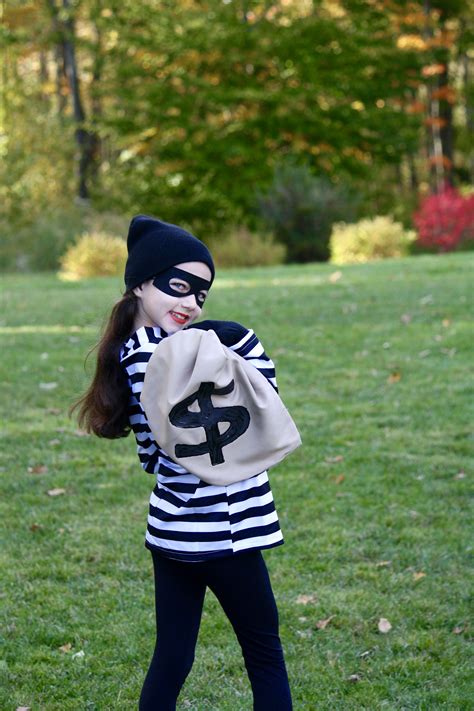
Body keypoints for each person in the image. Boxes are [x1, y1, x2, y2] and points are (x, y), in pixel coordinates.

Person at [74, 215, 293, 710]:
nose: (191, 303)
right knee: (264, 652)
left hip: (171, 529)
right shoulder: (175, 353)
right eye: (179, 286)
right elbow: (264, 404)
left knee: (173, 656)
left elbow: (153, 455)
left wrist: (216, 336)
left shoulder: (131, 353)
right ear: (141, 283)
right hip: (226, 526)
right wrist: (241, 338)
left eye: (201, 295)